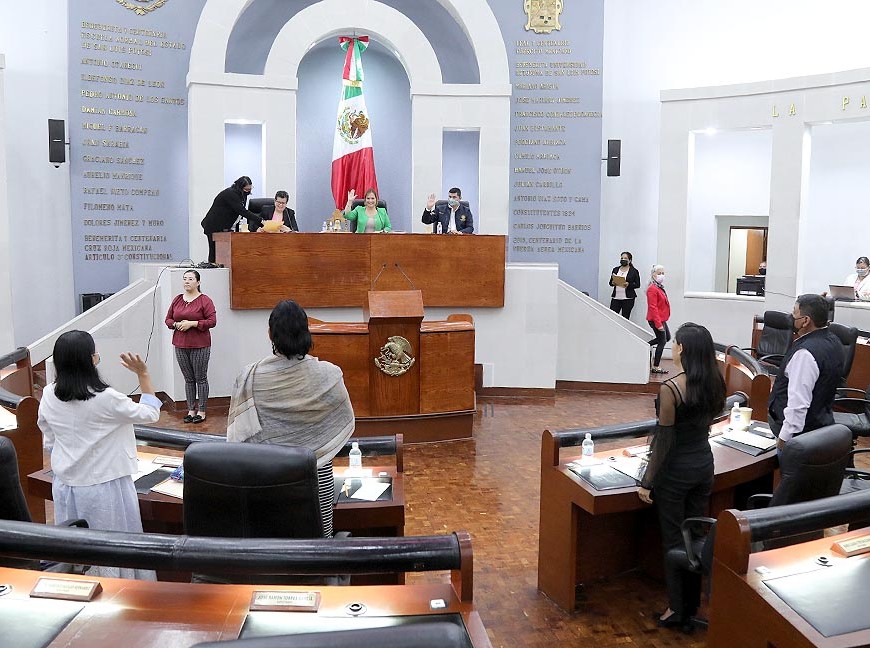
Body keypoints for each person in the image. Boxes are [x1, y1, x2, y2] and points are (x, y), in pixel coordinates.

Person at [37, 331, 161, 580]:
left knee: (73, 551)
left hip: (65, 485)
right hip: (104, 487)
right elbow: (150, 413)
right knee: (111, 550)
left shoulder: (49, 394)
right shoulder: (106, 398)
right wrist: (143, 374)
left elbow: (48, 437)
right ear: (92, 359)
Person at [226, 300, 355, 537]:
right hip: (317, 477)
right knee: (319, 541)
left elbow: (239, 436)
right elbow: (342, 420)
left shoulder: (248, 377)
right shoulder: (329, 375)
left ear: (270, 334)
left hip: (267, 479)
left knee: (273, 544)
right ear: (307, 332)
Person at [636, 322, 725, 629]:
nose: (672, 348)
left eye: (674, 344)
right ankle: (691, 604)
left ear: (682, 349)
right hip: (703, 465)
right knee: (695, 535)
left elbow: (664, 439)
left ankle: (675, 609)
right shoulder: (715, 381)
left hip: (676, 473)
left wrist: (647, 481)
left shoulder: (671, 388)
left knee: (674, 540)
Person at [768, 293, 845, 451]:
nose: (791, 317)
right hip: (822, 426)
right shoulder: (834, 341)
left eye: (794, 313)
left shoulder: (804, 354)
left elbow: (798, 403)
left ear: (805, 321)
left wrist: (784, 439)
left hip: (799, 437)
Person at [164, 270, 217, 424]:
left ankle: (202, 411)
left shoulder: (205, 300)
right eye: (185, 279)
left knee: (201, 378)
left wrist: (192, 324)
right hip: (180, 344)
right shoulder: (177, 299)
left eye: (191, 279)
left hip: (200, 345)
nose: (187, 281)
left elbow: (212, 321)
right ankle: (191, 410)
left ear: (198, 282)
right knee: (188, 379)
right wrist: (176, 324)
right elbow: (168, 319)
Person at [201, 175, 258, 263]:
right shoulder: (230, 193)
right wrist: (261, 221)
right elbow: (242, 211)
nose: (248, 191)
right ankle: (212, 267)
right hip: (213, 225)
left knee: (224, 253)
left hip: (224, 227)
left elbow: (241, 211)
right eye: (246, 189)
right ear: (240, 187)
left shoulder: (242, 194)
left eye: (250, 189)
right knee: (214, 252)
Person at [646, 264, 671, 374]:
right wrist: (658, 324)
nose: (661, 275)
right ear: (653, 275)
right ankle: (656, 366)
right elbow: (653, 307)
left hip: (662, 318)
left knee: (667, 338)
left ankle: (646, 345)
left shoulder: (659, 287)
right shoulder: (652, 289)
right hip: (656, 319)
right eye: (659, 273)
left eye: (663, 273)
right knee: (662, 341)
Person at [608, 251, 641, 318]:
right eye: (622, 258)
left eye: (625, 258)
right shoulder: (615, 269)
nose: (623, 260)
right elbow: (610, 282)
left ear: (630, 260)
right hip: (616, 297)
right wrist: (613, 283)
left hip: (628, 298)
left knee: (625, 317)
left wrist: (628, 284)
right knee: (612, 316)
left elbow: (637, 284)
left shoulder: (634, 271)